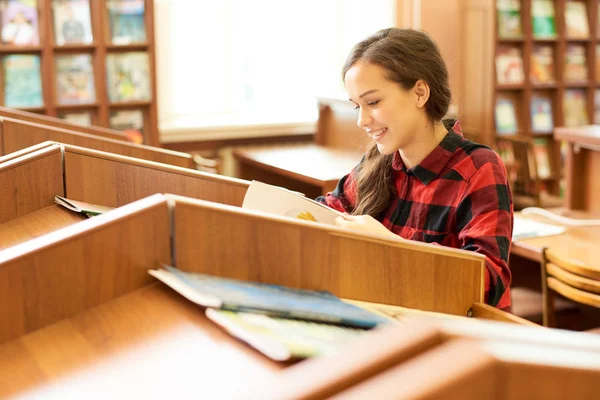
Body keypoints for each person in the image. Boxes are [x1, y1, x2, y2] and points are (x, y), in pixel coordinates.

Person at [317, 28, 513, 310]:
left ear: (420, 93)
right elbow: (327, 211)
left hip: (457, 339)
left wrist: (392, 246)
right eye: (356, 106)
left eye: (372, 102)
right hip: (392, 322)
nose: (362, 120)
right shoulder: (377, 163)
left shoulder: (479, 167)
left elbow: (487, 280)